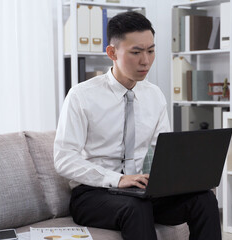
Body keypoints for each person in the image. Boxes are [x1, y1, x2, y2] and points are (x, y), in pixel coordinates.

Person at [54, 11, 221, 240]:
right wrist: (118, 179)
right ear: (112, 52)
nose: (146, 61)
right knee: (136, 208)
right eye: (136, 52)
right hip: (93, 194)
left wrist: (184, 176)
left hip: (140, 191)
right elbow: (64, 159)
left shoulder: (154, 95)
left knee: (203, 198)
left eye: (151, 51)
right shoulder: (82, 96)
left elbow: (166, 152)